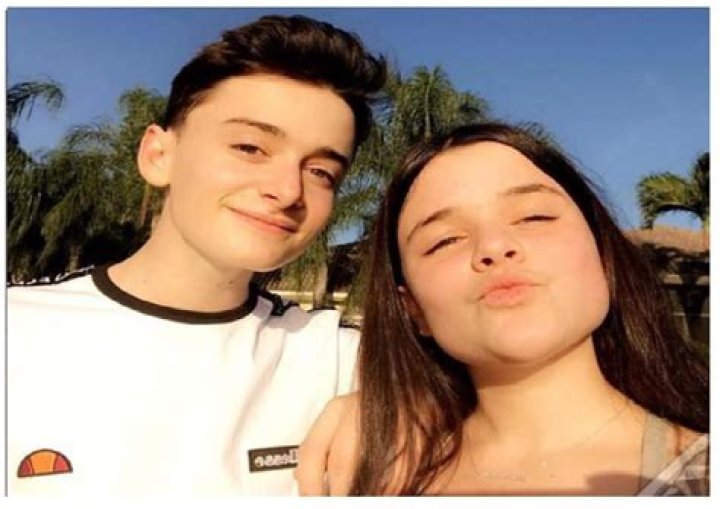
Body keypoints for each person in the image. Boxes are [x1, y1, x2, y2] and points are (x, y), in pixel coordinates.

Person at [8, 14, 386, 495]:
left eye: (321, 172)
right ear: (158, 155)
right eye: (250, 147)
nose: (288, 190)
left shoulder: (339, 361)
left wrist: (399, 411)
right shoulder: (18, 330)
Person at [296, 122, 709, 496]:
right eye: (445, 241)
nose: (494, 247)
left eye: (534, 217)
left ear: (604, 256)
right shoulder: (361, 477)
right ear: (412, 308)